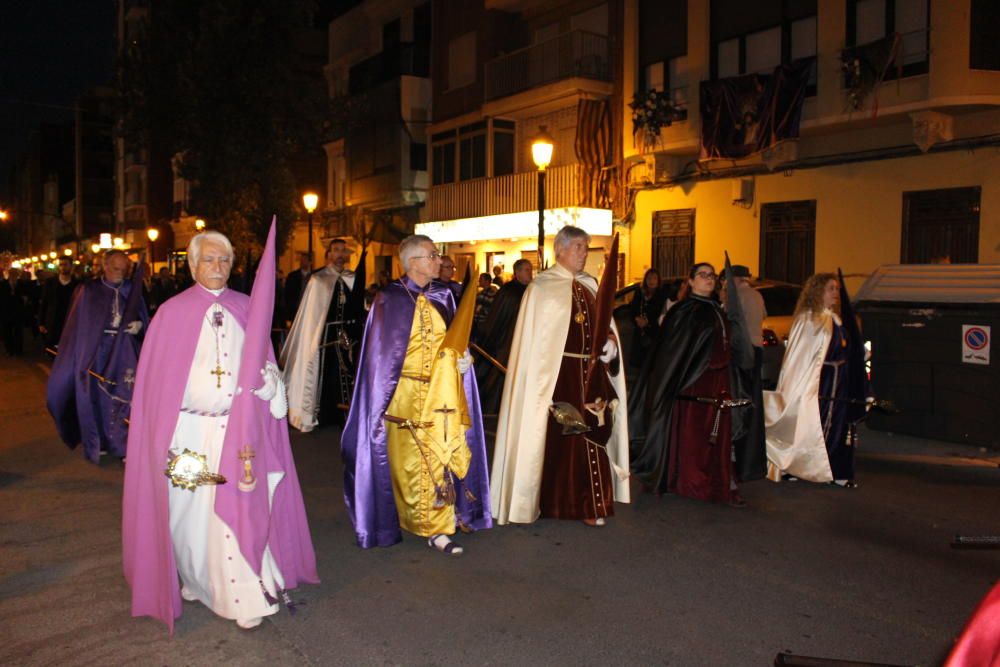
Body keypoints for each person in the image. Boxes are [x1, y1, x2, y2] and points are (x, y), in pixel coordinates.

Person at [122, 227, 318, 632]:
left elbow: (266, 364)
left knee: (235, 510)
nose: (217, 266)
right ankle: (197, 579)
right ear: (192, 264)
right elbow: (157, 386)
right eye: (208, 259)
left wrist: (271, 385)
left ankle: (242, 593)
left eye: (224, 260)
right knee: (189, 516)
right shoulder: (170, 313)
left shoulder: (248, 307)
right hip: (188, 433)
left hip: (238, 433)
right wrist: (165, 440)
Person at [341, 234, 491, 555]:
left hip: (443, 393)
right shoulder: (388, 299)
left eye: (437, 255)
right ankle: (406, 518)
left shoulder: (447, 295)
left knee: (441, 455)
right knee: (407, 464)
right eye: (433, 256)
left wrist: (466, 359)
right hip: (403, 394)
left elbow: (460, 337)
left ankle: (438, 527)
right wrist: (379, 402)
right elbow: (377, 357)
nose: (439, 261)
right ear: (413, 263)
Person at [491, 227, 629, 526]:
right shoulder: (542, 288)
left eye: (586, 247)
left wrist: (610, 344)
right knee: (567, 437)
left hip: (592, 372)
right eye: (579, 246)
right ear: (561, 250)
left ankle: (592, 503)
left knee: (595, 430)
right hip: (559, 374)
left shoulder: (591, 284)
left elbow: (604, 325)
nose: (583, 252)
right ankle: (563, 502)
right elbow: (536, 343)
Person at [629, 262, 745, 506]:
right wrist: (686, 374)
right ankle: (692, 482)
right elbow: (673, 353)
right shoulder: (683, 311)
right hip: (693, 384)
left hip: (719, 381)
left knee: (716, 435)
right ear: (690, 281)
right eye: (702, 275)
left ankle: (716, 480)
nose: (709, 279)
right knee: (695, 435)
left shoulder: (716, 309)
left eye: (712, 275)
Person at [764, 272, 867, 486]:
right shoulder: (809, 319)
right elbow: (799, 358)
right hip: (818, 383)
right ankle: (802, 467)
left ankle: (835, 472)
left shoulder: (834, 319)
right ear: (818, 291)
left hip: (838, 382)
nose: (835, 293)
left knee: (838, 426)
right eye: (831, 288)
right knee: (814, 426)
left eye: (837, 289)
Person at [47, 250, 148, 462]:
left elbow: (144, 317)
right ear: (105, 266)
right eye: (116, 268)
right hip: (97, 350)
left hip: (124, 350)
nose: (121, 273)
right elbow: (77, 325)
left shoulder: (132, 288)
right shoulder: (88, 290)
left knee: (125, 394)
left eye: (125, 269)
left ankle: (124, 445)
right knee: (95, 396)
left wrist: (139, 326)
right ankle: (99, 441)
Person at [280, 238, 363, 431]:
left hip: (347, 335)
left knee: (347, 371)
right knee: (327, 371)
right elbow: (312, 313)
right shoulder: (318, 280)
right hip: (325, 334)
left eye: (343, 251)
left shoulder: (353, 278)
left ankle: (346, 414)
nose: (340, 255)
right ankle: (324, 413)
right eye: (336, 250)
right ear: (329, 254)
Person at [721, 264, 767, 480]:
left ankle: (737, 448)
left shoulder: (735, 296)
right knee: (753, 394)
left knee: (739, 396)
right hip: (757, 349)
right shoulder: (757, 295)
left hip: (742, 352)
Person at [474, 258, 532, 418]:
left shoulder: (531, 290)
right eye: (526, 270)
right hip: (505, 343)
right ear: (517, 272)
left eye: (530, 269)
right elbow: (497, 317)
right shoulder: (508, 291)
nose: (530, 273)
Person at [38, 256, 81, 350]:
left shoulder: (77, 284)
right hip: (53, 322)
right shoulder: (50, 282)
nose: (63, 267)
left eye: (65, 265)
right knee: (52, 348)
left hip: (70, 321)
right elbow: (44, 302)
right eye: (61, 265)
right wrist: (41, 322)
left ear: (71, 266)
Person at [628, 268, 666, 371]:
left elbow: (662, 313)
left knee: (652, 364)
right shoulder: (639, 293)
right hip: (640, 333)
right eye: (649, 278)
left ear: (658, 281)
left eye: (654, 278)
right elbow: (632, 310)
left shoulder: (662, 295)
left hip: (654, 332)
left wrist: (648, 322)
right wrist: (636, 319)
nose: (651, 281)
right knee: (639, 365)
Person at [1, 267, 27, 356]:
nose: (13, 276)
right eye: (12, 274)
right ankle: (9, 350)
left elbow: (25, 295)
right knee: (7, 333)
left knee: (18, 332)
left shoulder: (21, 284)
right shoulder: (3, 284)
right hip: (6, 312)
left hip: (18, 312)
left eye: (15, 274)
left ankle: (18, 350)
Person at [283, 252, 312, 325]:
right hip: (296, 309)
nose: (302, 262)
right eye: (301, 260)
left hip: (310, 309)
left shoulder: (314, 276)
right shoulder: (292, 276)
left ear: (309, 262)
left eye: (305, 260)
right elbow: (287, 294)